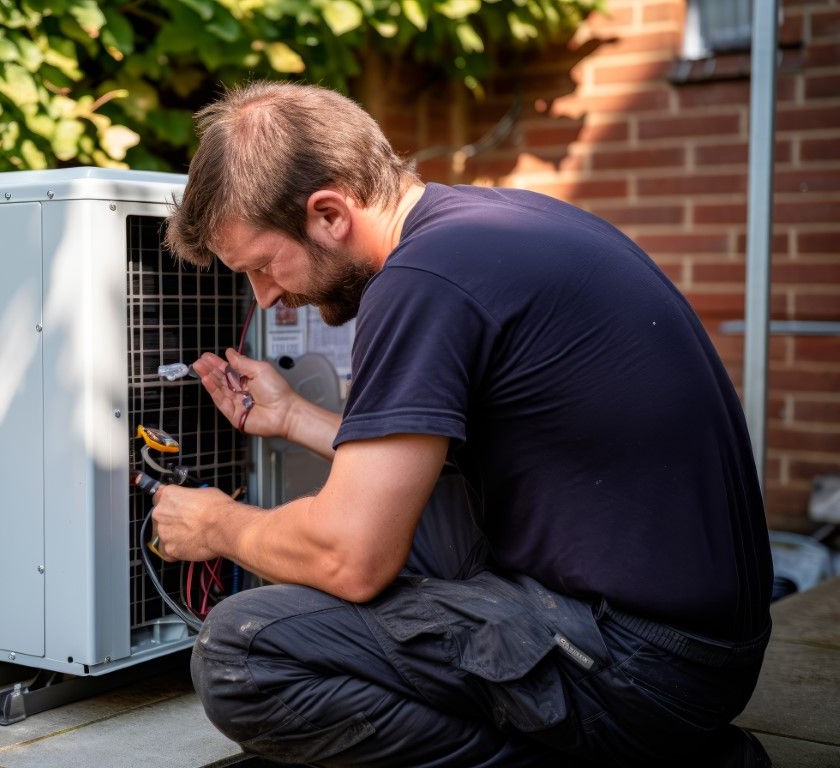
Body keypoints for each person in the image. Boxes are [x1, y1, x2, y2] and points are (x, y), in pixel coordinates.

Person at [154, 82, 773, 767]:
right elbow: (436, 466)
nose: (266, 297)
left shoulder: (422, 280)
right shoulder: (481, 229)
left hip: (641, 665)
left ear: (329, 213)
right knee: (398, 521)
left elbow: (350, 558)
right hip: (693, 646)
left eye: (265, 266)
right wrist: (294, 416)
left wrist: (217, 525)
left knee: (244, 651)